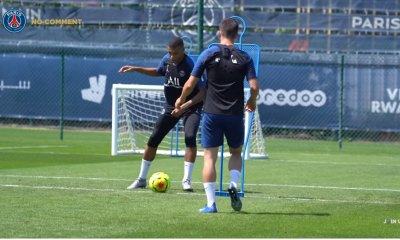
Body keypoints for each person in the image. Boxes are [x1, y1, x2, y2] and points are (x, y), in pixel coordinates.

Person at [175, 19, 259, 212]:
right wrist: (252, 100)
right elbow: (254, 86)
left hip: (212, 114)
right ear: (236, 35)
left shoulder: (209, 53)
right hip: (235, 114)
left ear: (219, 33)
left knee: (210, 158)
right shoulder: (245, 57)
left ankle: (211, 204)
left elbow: (189, 84)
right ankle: (233, 185)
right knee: (236, 152)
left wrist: (181, 99)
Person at [119, 37, 206, 191]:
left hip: (191, 107)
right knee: (154, 139)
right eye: (169, 53)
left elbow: (202, 93)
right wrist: (136, 68)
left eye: (175, 53)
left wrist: (183, 106)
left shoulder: (191, 65)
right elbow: (158, 72)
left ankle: (186, 180)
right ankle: (141, 179)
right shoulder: (166, 60)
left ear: (183, 51)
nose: (172, 56)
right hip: (170, 107)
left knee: (190, 138)